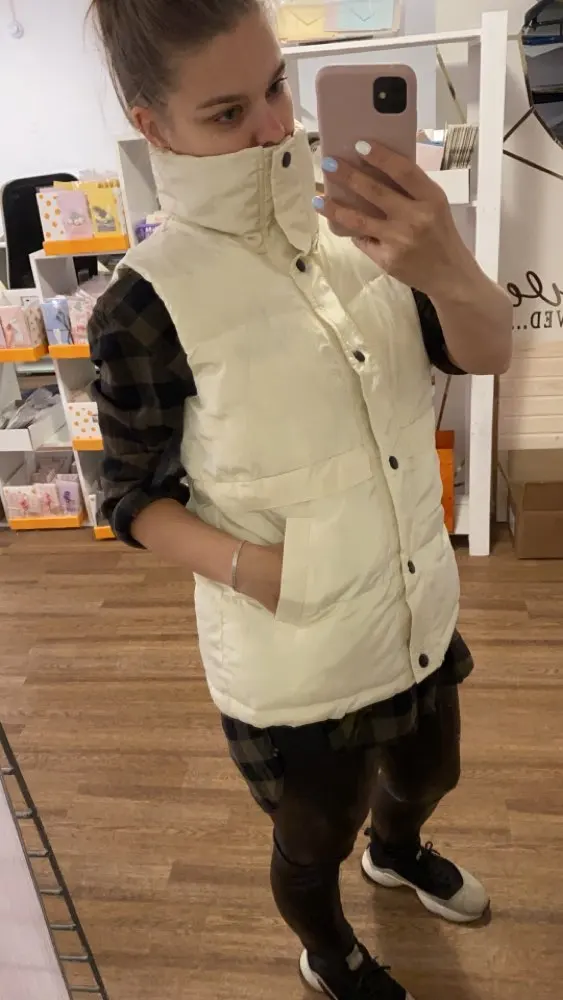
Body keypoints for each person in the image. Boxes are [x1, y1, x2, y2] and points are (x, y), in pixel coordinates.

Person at [87, 2, 513, 997]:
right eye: (226, 112)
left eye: (275, 86)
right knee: (312, 833)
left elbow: (486, 352)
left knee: (430, 773)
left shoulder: (368, 227)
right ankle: (328, 952)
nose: (274, 126)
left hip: (410, 599)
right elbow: (130, 498)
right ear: (153, 126)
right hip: (294, 644)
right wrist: (263, 572)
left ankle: (396, 854)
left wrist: (445, 262)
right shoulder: (145, 304)